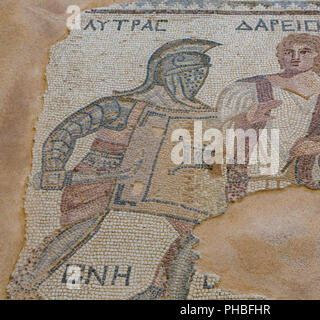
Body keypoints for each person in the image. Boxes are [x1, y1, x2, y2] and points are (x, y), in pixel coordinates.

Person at [10, 39, 226, 299]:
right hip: (100, 176)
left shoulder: (198, 114)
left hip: (160, 184)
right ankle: (22, 285)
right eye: (189, 75)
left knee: (199, 233)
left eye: (201, 75)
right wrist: (54, 169)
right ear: (169, 75)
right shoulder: (121, 105)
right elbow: (68, 131)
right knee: (77, 231)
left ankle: (162, 292)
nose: (196, 82)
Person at [217, 33, 320, 202]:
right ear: (281, 55)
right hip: (254, 181)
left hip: (306, 183)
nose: (295, 57)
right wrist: (245, 119)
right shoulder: (248, 89)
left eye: (305, 51)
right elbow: (218, 133)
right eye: (289, 52)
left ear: (319, 54)